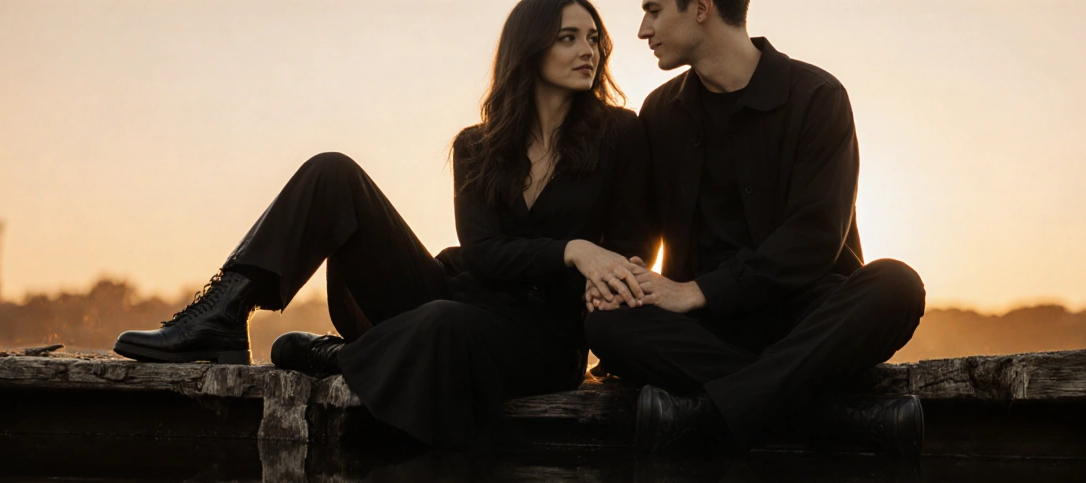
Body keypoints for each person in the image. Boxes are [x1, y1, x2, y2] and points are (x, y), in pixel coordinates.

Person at [113, 0, 655, 448]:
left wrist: (589, 266)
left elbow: (631, 249)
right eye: (569, 37)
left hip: (543, 338)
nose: (589, 50)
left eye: (594, 39)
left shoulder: (619, 135)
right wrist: (573, 249)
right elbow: (485, 251)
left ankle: (341, 357)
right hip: (463, 295)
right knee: (333, 172)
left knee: (444, 320)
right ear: (530, 47)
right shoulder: (477, 146)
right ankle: (223, 312)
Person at [583, 0, 927, 456]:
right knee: (606, 325)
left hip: (805, 315)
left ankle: (707, 415)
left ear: (702, 8)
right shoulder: (660, 112)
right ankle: (833, 418)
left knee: (896, 286)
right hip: (708, 331)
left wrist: (694, 291)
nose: (644, 29)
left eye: (655, 10)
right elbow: (640, 237)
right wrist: (618, 277)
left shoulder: (817, 96)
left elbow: (816, 238)